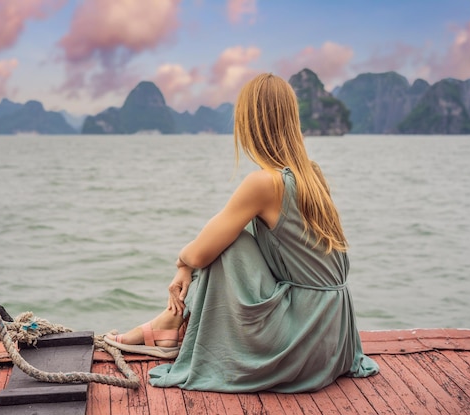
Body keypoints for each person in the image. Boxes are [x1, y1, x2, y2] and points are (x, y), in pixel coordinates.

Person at [105, 73, 379, 392]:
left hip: (303, 340)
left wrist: (182, 264)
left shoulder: (265, 183)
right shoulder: (312, 175)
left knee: (230, 243)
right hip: (336, 339)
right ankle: (166, 324)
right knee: (228, 234)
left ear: (248, 124)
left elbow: (200, 252)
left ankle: (166, 325)